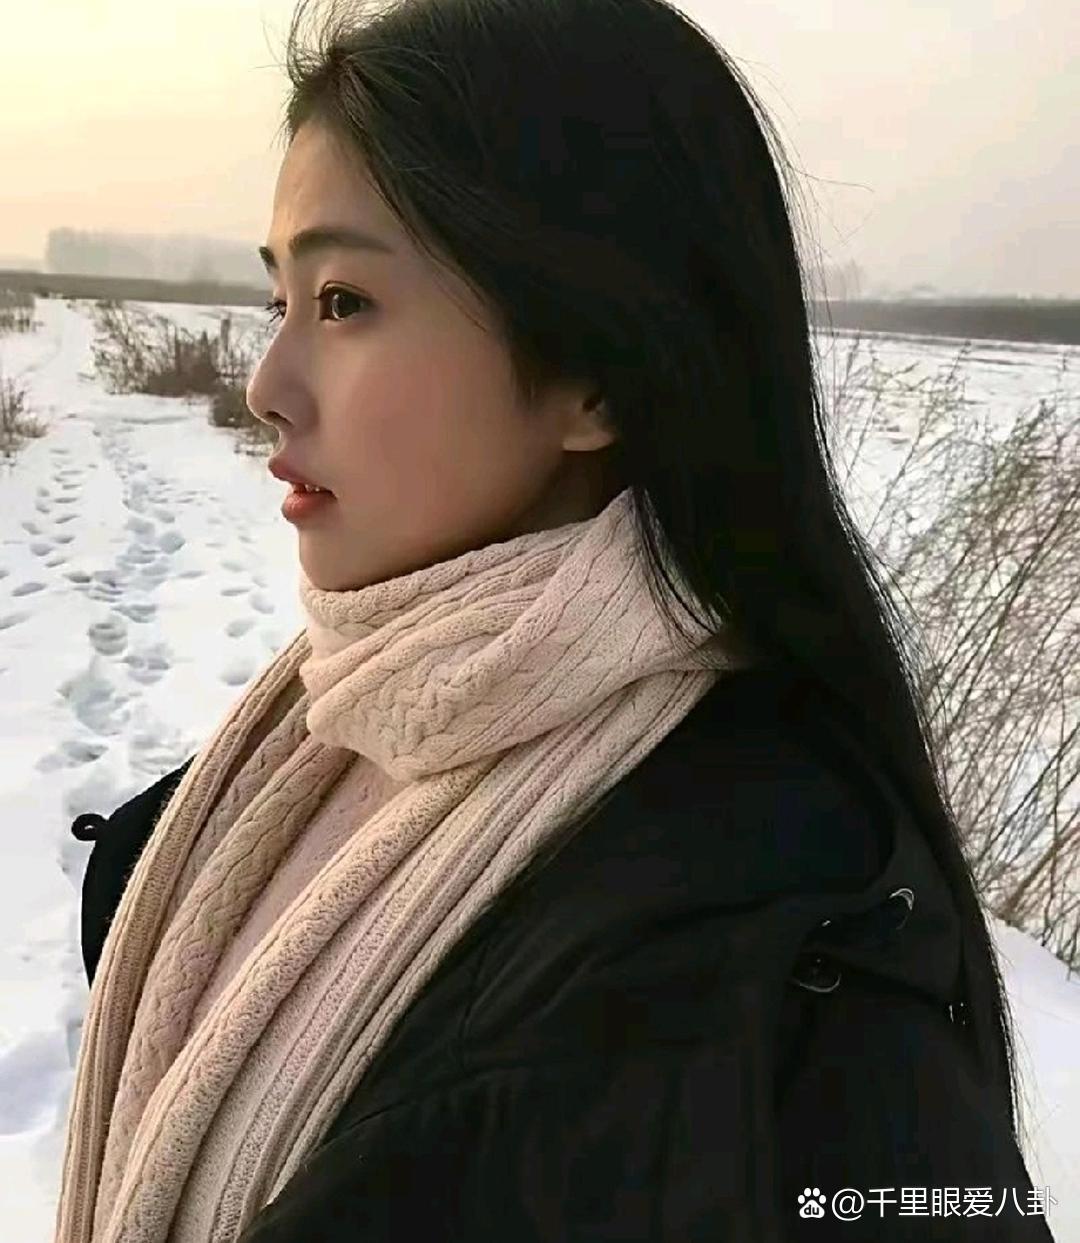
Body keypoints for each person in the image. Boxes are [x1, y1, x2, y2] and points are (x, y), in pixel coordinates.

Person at [57, 0, 1056, 1240]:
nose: (268, 387)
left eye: (346, 301)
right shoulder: (340, 727)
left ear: (596, 375)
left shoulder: (777, 978)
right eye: (282, 301)